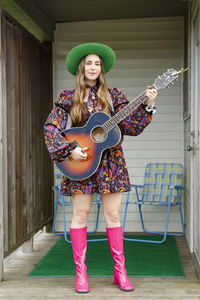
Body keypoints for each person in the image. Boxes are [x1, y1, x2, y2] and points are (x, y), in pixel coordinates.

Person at [44, 43, 157, 293]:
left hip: (111, 164)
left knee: (113, 216)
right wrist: (69, 149)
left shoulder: (113, 96)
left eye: (97, 63)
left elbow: (131, 127)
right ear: (81, 67)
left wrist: (147, 105)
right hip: (81, 161)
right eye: (89, 62)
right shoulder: (68, 98)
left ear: (101, 68)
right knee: (81, 215)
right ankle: (81, 272)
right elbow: (51, 128)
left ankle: (120, 271)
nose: (93, 67)